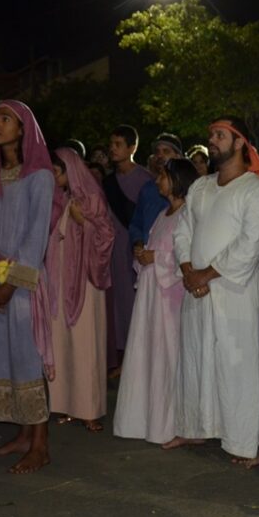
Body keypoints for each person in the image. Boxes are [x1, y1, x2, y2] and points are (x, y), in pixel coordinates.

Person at [165, 117, 259, 458]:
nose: (212, 140)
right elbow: (183, 231)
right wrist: (188, 270)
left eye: (220, 135)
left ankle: (242, 441)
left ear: (240, 143)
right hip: (197, 290)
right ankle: (195, 429)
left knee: (237, 363)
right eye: (211, 134)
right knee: (196, 360)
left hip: (234, 292)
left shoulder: (256, 190)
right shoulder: (200, 187)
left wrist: (206, 274)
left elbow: (250, 244)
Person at [0, 100, 56, 474]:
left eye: (5, 118)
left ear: (23, 129)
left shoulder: (40, 177)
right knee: (4, 358)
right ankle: (23, 436)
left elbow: (36, 236)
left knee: (27, 359)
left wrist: (10, 286)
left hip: (23, 284)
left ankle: (41, 445)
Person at [114, 159, 201, 444]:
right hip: (151, 295)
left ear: (176, 180)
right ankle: (143, 420)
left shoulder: (189, 214)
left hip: (170, 298)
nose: (157, 181)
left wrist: (157, 258)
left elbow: (190, 255)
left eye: (162, 176)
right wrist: (142, 254)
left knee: (169, 356)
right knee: (148, 353)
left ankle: (171, 424)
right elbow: (155, 247)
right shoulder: (164, 213)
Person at [47, 147, 115, 431]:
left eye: (57, 172)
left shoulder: (92, 198)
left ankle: (89, 409)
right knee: (62, 343)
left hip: (85, 283)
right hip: (60, 281)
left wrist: (82, 222)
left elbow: (106, 235)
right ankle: (66, 405)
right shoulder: (60, 198)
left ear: (70, 170)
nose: (53, 177)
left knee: (85, 344)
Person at [102, 125, 153, 374]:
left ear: (132, 148)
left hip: (134, 249)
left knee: (133, 302)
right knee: (116, 304)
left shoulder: (146, 180)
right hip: (112, 250)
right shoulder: (108, 182)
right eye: (111, 144)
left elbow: (149, 218)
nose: (113, 149)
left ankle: (138, 360)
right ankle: (120, 356)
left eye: (118, 144)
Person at [130, 133, 183, 254]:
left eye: (166, 151)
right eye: (157, 152)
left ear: (178, 156)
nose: (160, 156)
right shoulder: (148, 189)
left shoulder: (190, 189)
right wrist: (138, 242)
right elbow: (136, 223)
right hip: (146, 258)